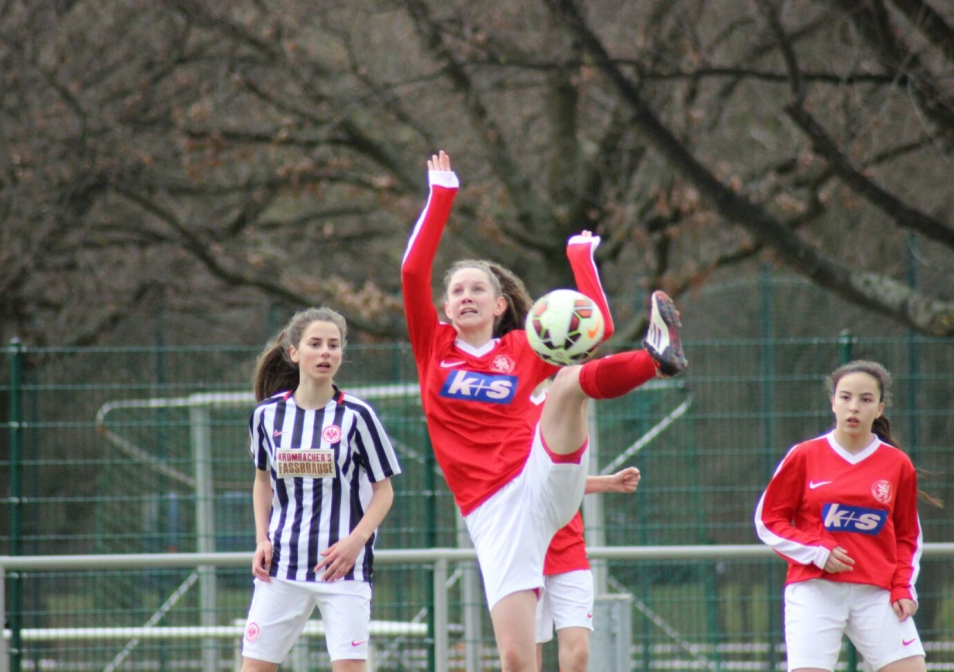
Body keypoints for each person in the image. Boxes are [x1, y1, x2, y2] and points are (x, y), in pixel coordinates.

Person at [402, 149, 687, 672]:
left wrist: (581, 261)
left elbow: (594, 328)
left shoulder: (523, 348)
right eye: (457, 291)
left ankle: (656, 359)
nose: (466, 296)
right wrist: (442, 194)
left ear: (499, 305)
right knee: (516, 658)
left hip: (540, 477)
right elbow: (412, 269)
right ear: (445, 307)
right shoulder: (433, 347)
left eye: (478, 289)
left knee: (569, 381)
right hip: (491, 509)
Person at [238, 307, 402, 672]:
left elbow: (384, 491)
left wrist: (355, 542)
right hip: (282, 566)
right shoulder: (266, 416)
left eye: (333, 345)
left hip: (342, 569)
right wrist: (262, 540)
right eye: (315, 344)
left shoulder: (357, 416)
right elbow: (262, 482)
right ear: (294, 352)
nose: (325, 352)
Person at [755, 360, 927, 672]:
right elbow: (768, 521)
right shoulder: (804, 455)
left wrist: (903, 586)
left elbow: (908, 537)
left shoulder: (897, 464)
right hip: (815, 589)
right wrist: (817, 551)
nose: (854, 407)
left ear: (879, 409)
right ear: (833, 402)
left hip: (877, 592)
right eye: (845, 397)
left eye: (866, 399)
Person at [536, 467, 643, 672]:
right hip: (522, 558)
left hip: (569, 553)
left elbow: (561, 480)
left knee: (578, 653)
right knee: (523, 660)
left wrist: (610, 482)